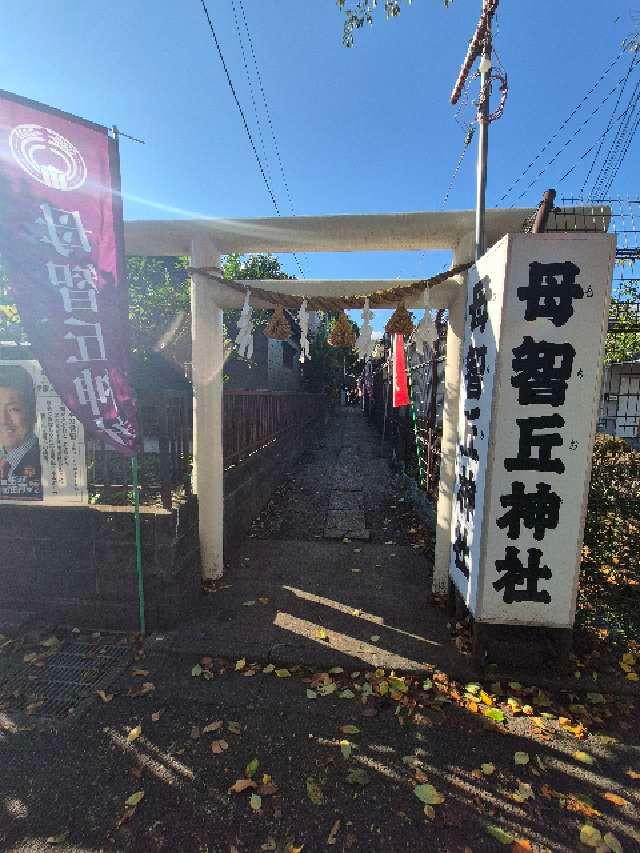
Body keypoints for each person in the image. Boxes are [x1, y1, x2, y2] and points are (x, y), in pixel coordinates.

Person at [0, 364, 41, 496]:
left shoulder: (42, 459)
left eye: (13, 409)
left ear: (32, 413)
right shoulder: (3, 457)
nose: (3, 420)